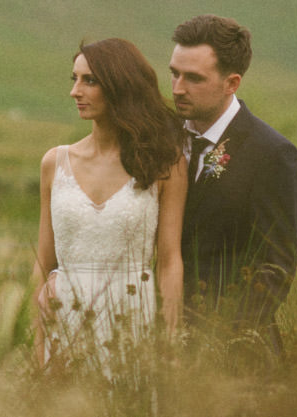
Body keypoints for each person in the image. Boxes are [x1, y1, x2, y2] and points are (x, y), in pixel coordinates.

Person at [33, 38, 187, 372]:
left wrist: (171, 338)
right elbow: (42, 263)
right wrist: (38, 341)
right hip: (65, 315)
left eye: (90, 81)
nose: (75, 91)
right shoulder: (54, 162)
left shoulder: (165, 163)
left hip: (132, 316)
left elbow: (170, 260)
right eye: (74, 79)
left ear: (120, 86)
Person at [169, 14, 297, 356]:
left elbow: (276, 268)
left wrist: (219, 339)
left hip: (233, 354)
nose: (178, 88)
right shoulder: (159, 140)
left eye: (194, 78)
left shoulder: (271, 153)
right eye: (174, 73)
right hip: (152, 341)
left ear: (232, 83)